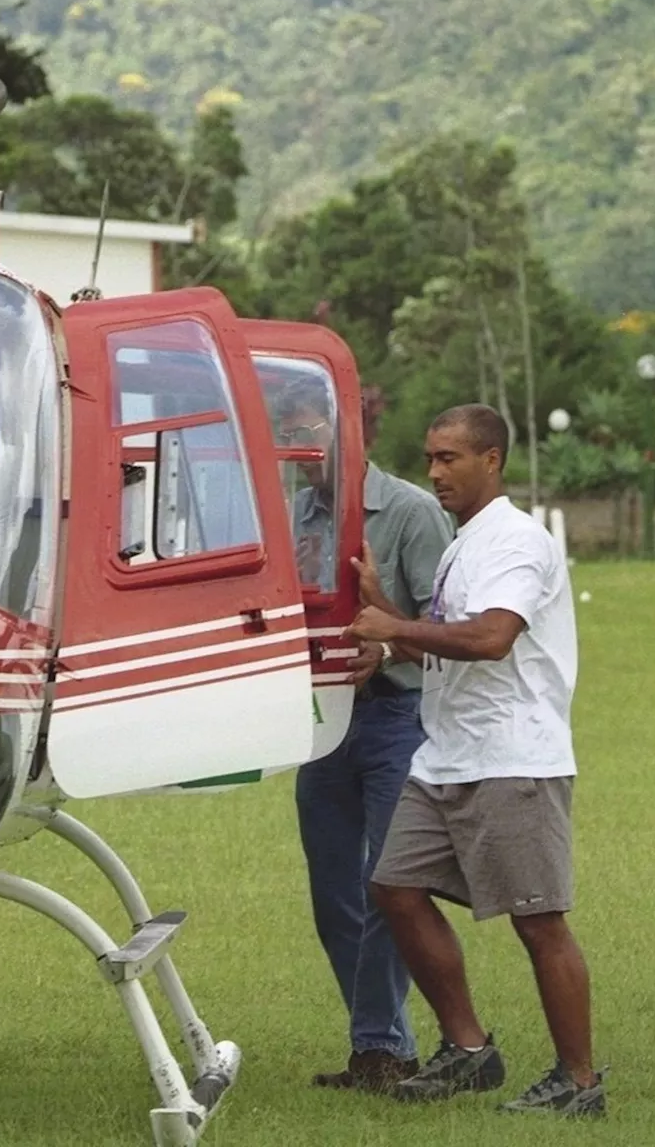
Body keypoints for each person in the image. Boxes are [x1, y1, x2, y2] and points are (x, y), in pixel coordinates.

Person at [349, 402, 604, 1117]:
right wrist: (390, 622)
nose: (434, 472)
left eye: (449, 458)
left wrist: (394, 623)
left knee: (539, 921)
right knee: (394, 887)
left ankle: (579, 1084)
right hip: (448, 756)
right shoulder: (467, 541)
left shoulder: (515, 542)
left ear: (491, 460)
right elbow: (447, 641)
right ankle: (469, 1049)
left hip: (513, 757)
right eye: (430, 457)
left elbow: (492, 638)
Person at [292, 384, 452, 1096]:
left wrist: (384, 654)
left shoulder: (413, 513)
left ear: (349, 432)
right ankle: (381, 1043)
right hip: (323, 724)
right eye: (287, 435)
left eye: (308, 432)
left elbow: (453, 635)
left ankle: (380, 1048)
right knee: (335, 895)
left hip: (396, 722)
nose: (298, 450)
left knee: (389, 886)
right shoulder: (297, 515)